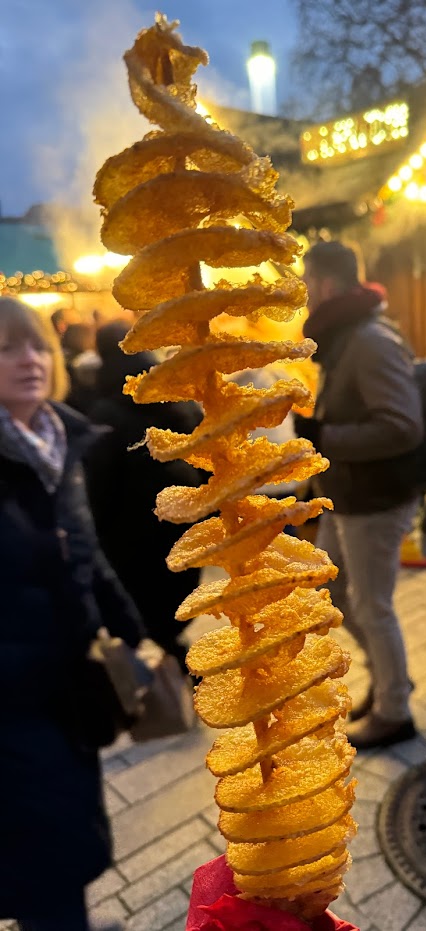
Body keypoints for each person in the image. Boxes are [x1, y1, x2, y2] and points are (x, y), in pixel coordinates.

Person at [0, 297, 143, 930]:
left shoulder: (60, 443)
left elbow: (86, 556)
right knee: (45, 872)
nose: (28, 360)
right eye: (5, 348)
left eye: (35, 346)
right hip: (11, 711)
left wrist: (136, 635)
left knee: (55, 856)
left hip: (67, 700)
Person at [294, 240, 424, 750]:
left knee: (372, 606)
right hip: (345, 495)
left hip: (375, 499)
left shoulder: (369, 339)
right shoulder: (346, 335)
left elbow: (402, 426)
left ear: (326, 285)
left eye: (307, 285)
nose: (304, 297)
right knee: (337, 593)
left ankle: (395, 710)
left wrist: (323, 438)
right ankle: (390, 679)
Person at [84, 320, 204, 673]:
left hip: (129, 527)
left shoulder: (104, 408)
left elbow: (99, 479)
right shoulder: (172, 394)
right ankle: (172, 644)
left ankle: (164, 652)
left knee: (142, 594)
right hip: (181, 514)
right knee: (174, 586)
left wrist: (97, 524)